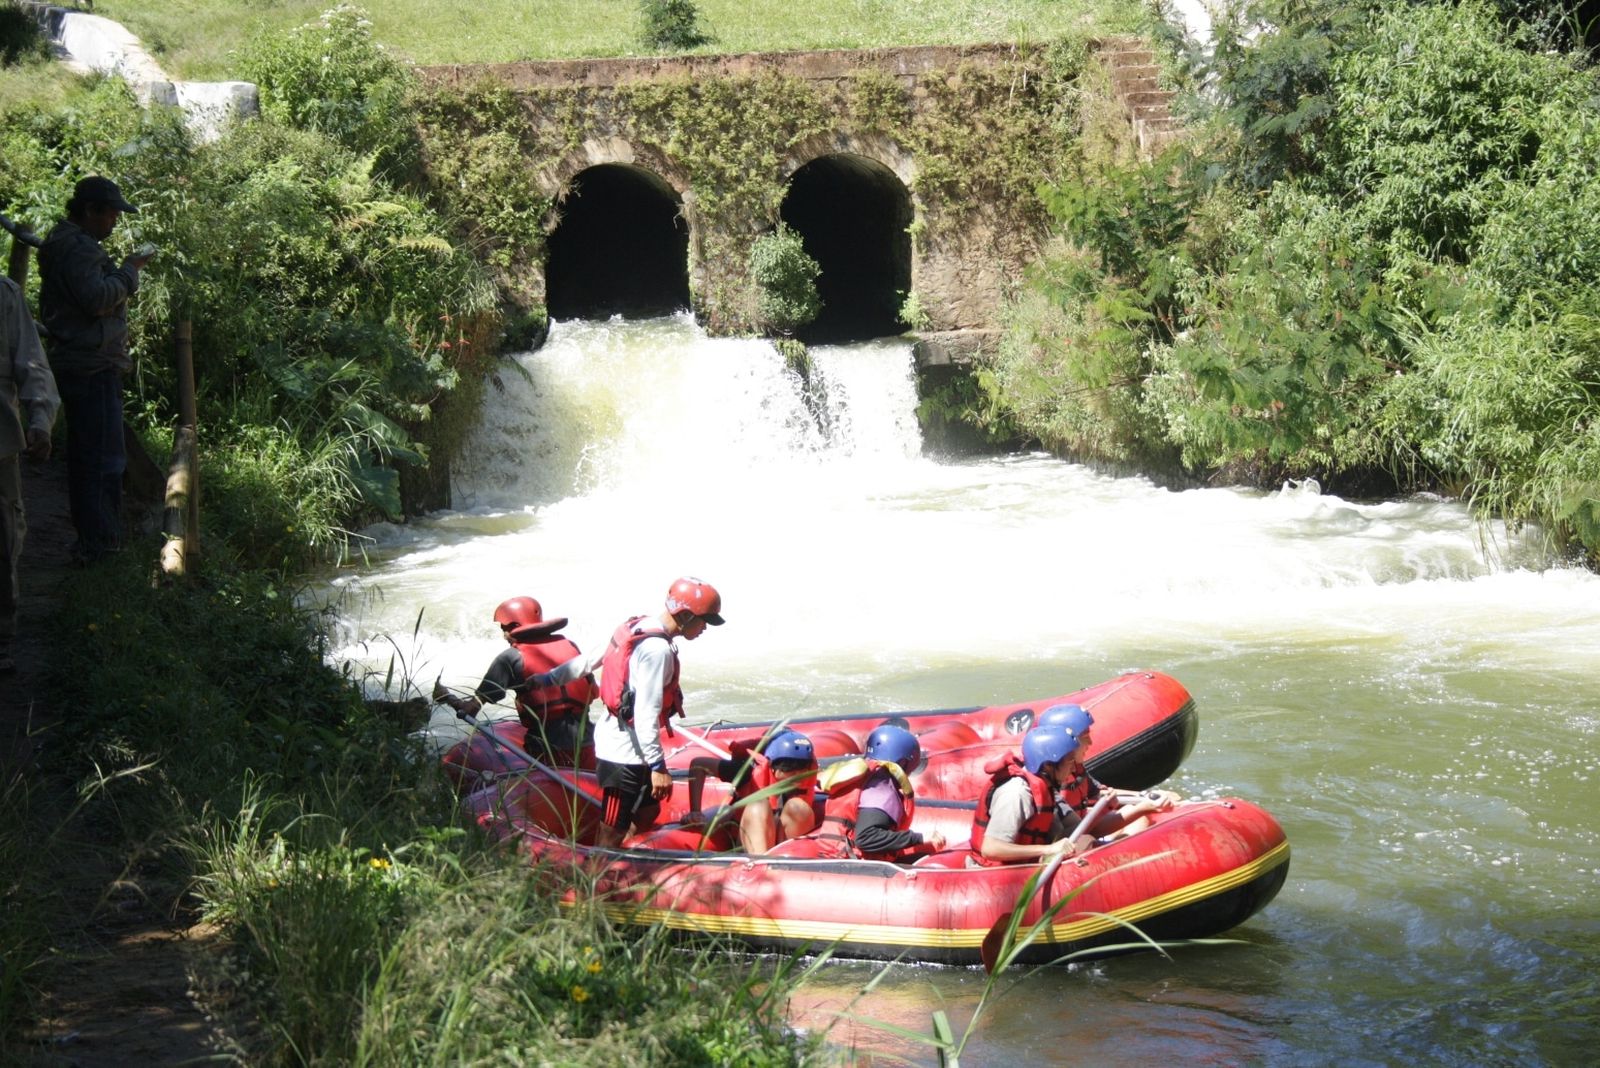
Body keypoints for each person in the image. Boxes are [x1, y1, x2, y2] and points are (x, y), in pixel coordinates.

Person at [528, 576, 725, 848]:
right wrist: (657, 766)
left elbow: (589, 660)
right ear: (685, 615)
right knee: (612, 826)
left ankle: (627, 857)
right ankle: (595, 867)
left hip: (633, 745)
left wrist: (547, 679)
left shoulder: (636, 626)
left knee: (648, 811)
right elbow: (646, 712)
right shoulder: (657, 651)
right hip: (622, 753)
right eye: (704, 621)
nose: (705, 628)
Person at [37, 176, 152, 564]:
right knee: (103, 461)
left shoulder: (64, 242)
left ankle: (97, 541)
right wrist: (130, 270)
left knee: (92, 455)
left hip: (82, 361)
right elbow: (98, 299)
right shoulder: (78, 248)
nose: (114, 221)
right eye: (111, 214)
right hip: (91, 365)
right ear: (90, 210)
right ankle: (100, 546)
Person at [434, 596, 597, 766]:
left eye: (504, 629)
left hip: (548, 750)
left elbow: (469, 710)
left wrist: (446, 697)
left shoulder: (510, 658)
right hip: (589, 743)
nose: (504, 636)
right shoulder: (570, 646)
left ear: (516, 626)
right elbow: (593, 690)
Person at [1, 275, 59, 674]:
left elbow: (31, 361)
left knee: (3, 539)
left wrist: (40, 419)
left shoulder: (4, 295)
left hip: (1, 442)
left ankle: (1, 637)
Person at [1036, 703, 1176, 839]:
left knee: (1132, 812)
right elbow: (1080, 832)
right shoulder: (1051, 786)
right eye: (1085, 737)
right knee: (1139, 818)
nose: (1090, 743)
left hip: (1082, 834)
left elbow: (1100, 793)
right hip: (1075, 842)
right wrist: (1142, 808)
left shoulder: (1075, 770)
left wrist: (1146, 796)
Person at [808, 723, 946, 862]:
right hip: (851, 862)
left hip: (834, 855)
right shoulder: (881, 788)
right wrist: (919, 838)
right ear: (903, 762)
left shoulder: (865, 778)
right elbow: (865, 838)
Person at [685, 728, 819, 854]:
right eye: (790, 769)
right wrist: (695, 810)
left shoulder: (808, 779)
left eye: (803, 767)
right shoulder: (747, 770)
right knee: (758, 805)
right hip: (749, 841)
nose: (798, 775)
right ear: (772, 766)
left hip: (783, 843)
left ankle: (792, 862)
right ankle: (761, 865)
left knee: (798, 807)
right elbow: (698, 765)